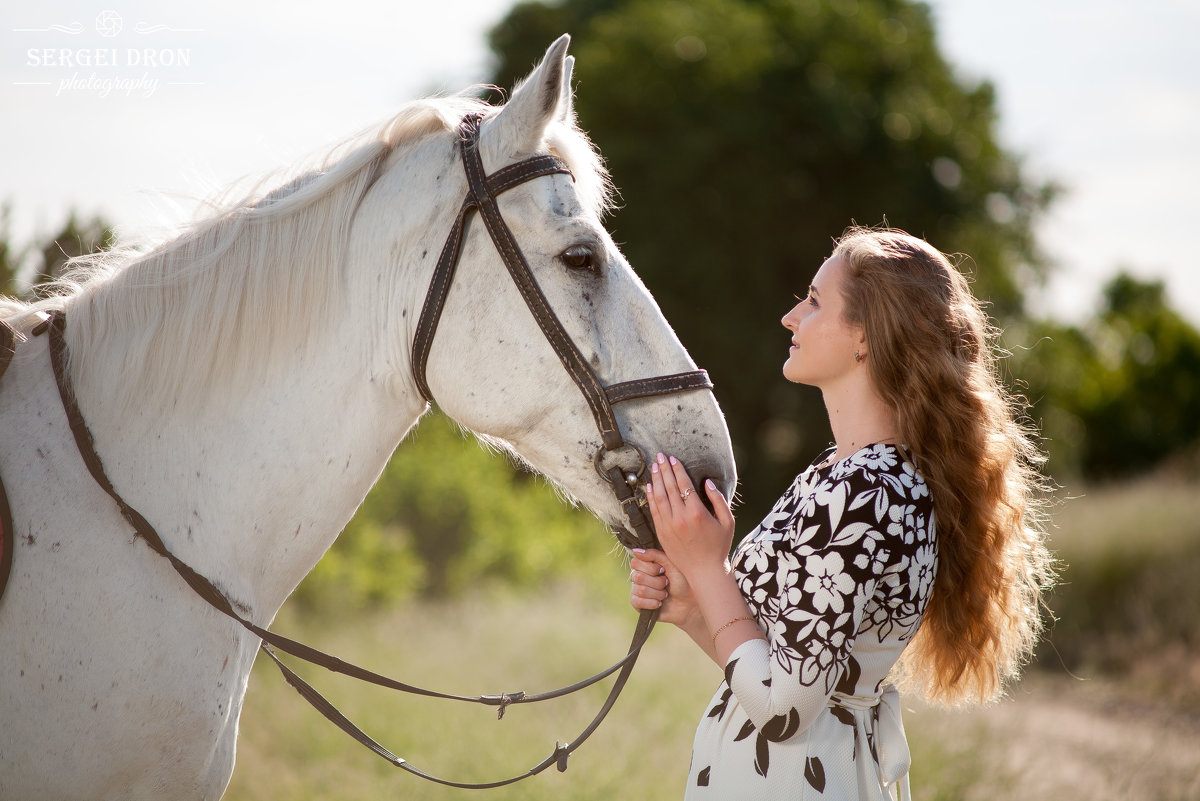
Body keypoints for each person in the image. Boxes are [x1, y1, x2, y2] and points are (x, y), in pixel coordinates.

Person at [629, 226, 1053, 800]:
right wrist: (694, 606)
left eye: (813, 301)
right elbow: (783, 669)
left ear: (866, 338)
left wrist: (709, 570)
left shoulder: (865, 492)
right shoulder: (850, 476)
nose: (790, 316)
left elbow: (784, 710)